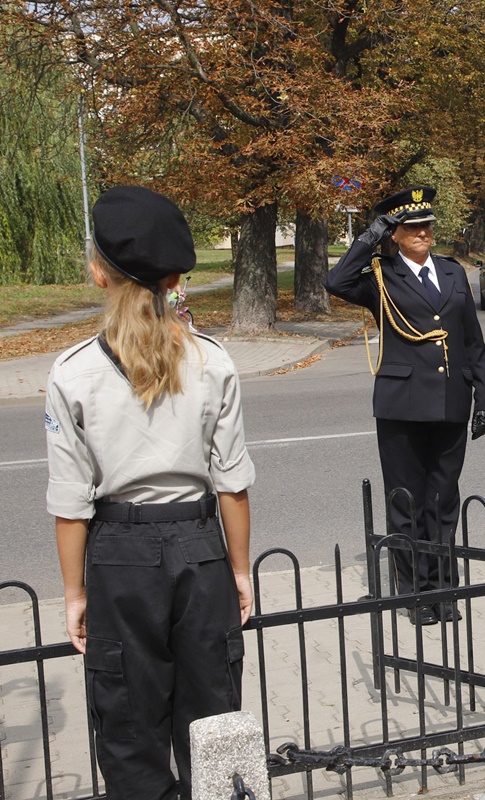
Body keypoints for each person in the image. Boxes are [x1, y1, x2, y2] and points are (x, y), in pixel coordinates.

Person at [46, 185, 256, 800]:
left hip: (120, 555)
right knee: (213, 725)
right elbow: (232, 481)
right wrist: (239, 570)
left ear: (99, 273)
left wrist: (74, 593)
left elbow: (70, 500)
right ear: (173, 279)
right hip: (200, 548)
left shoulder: (73, 373)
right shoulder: (212, 361)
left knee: (129, 727)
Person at [325, 186, 485, 625]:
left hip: (451, 401)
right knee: (407, 502)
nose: (422, 232)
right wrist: (370, 235)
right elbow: (336, 281)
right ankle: (414, 593)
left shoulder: (452, 271)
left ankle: (443, 588)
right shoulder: (379, 276)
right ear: (395, 234)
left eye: (426, 225)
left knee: (443, 500)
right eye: (411, 227)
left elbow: (472, 340)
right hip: (401, 405)